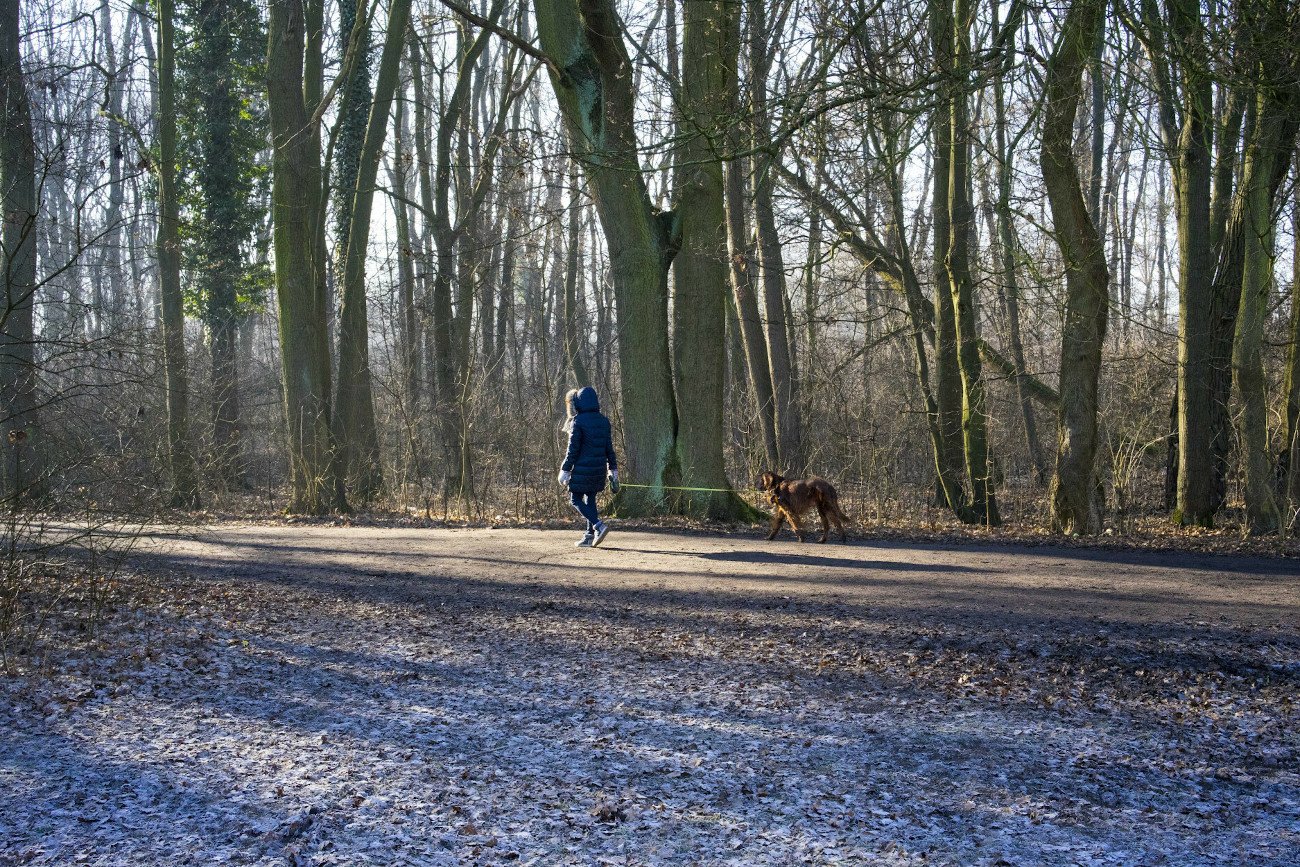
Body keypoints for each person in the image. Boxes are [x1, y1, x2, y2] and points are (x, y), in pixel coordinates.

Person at [557, 386, 618, 547]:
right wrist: (613, 469)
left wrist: (565, 469)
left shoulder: (578, 421)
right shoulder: (604, 421)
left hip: (582, 469)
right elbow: (609, 449)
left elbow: (573, 450)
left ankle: (598, 525)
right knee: (590, 500)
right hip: (598, 469)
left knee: (575, 499)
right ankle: (589, 536)